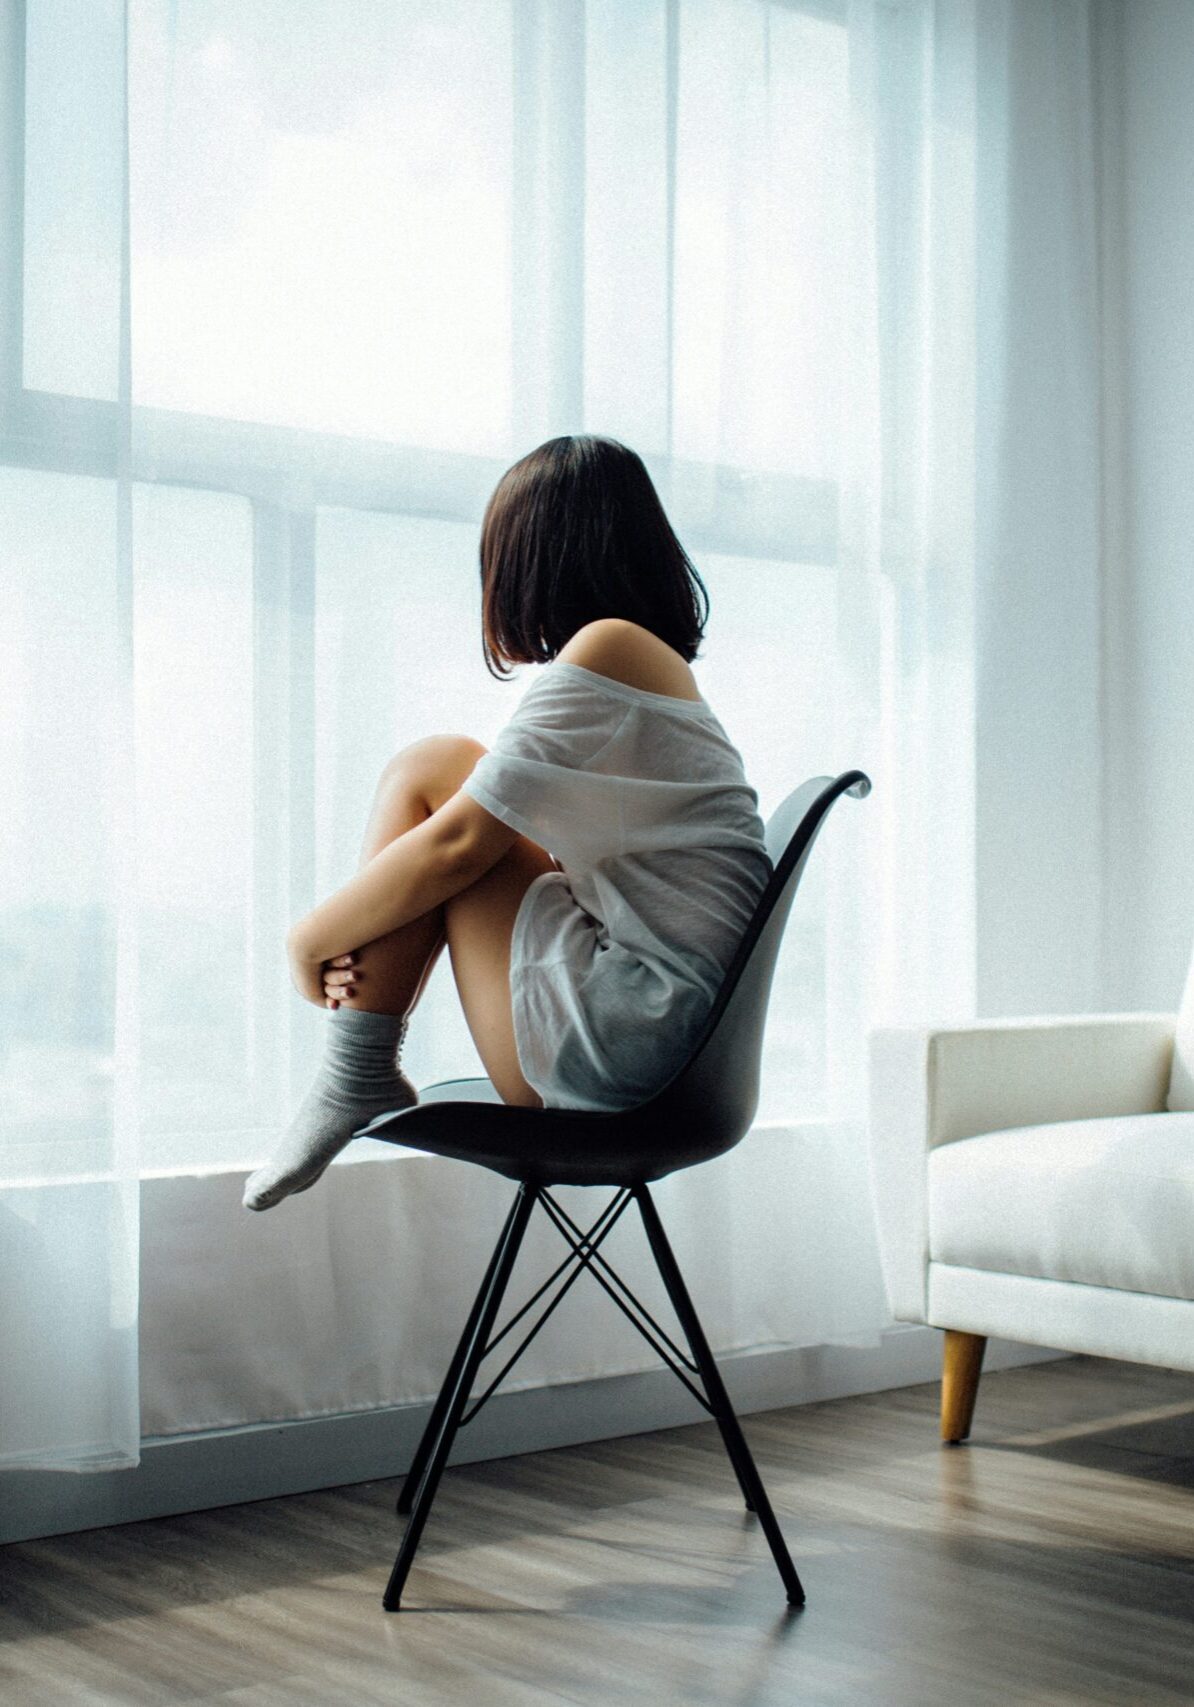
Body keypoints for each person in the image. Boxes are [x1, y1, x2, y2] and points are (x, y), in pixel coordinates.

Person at [243, 435, 772, 1211]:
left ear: (532, 558)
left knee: (432, 774)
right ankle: (355, 1069)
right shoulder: (646, 666)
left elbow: (460, 846)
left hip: (629, 1049)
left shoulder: (610, 649)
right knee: (446, 769)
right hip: (665, 1042)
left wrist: (307, 939)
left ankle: (353, 1070)